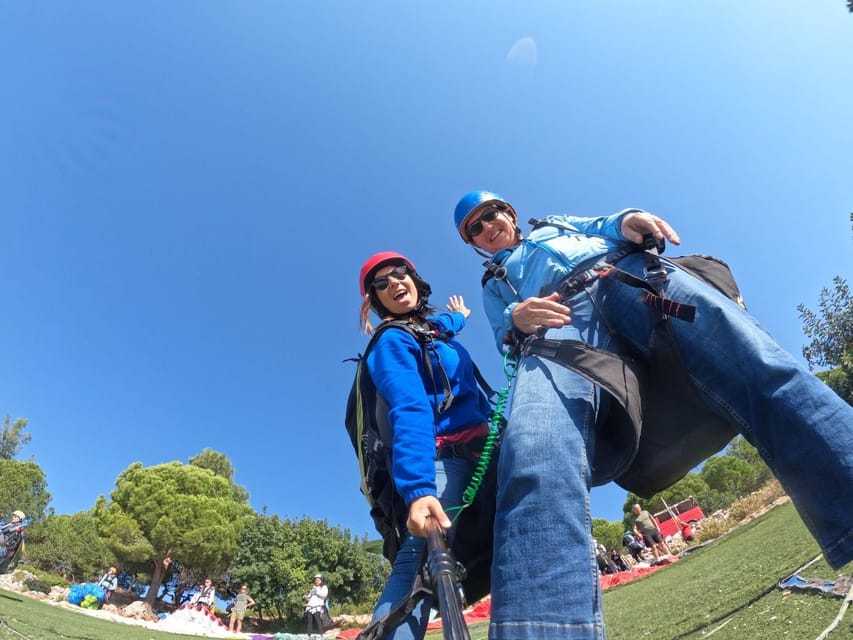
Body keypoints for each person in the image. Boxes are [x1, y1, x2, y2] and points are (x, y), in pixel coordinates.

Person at [452, 189, 853, 640]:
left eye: (489, 215)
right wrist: (515, 316)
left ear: (509, 213)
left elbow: (605, 224)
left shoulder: (555, 223)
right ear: (476, 245)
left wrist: (627, 219)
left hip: (625, 278)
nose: (487, 228)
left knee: (756, 363)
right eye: (475, 230)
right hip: (555, 327)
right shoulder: (493, 284)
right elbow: (502, 331)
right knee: (532, 448)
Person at [357, 251, 493, 640]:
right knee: (419, 560)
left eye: (400, 273)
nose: (394, 283)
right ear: (376, 301)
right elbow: (409, 407)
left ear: (415, 279)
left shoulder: (431, 330)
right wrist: (419, 491)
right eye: (380, 284)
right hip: (446, 458)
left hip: (488, 452)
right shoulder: (393, 340)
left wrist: (461, 317)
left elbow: (444, 327)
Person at [304, 574, 329, 638]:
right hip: (310, 606)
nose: (317, 581)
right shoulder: (313, 589)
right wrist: (306, 597)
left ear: (321, 580)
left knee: (318, 620)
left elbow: (323, 595)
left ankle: (321, 635)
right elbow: (309, 598)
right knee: (309, 621)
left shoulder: (324, 587)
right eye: (316, 580)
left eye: (318, 580)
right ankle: (309, 635)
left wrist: (316, 590)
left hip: (317, 606)